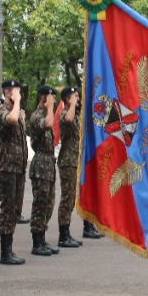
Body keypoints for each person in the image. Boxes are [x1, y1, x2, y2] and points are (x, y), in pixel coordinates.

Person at [0, 80, 28, 265]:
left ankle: (9, 249)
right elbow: (12, 119)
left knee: (15, 209)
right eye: (15, 90)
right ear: (7, 92)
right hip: (7, 167)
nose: (18, 93)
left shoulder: (16, 111)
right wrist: (16, 102)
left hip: (18, 167)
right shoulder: (2, 110)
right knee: (8, 209)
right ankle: (5, 252)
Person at [27, 85, 59, 257]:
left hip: (49, 163)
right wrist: (50, 108)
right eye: (51, 97)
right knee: (40, 203)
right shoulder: (37, 116)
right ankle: (37, 242)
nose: (54, 100)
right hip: (40, 163)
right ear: (43, 98)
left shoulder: (47, 114)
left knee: (49, 203)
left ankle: (43, 238)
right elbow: (47, 125)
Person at [56, 86, 84, 246]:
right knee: (67, 197)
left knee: (72, 197)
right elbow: (68, 119)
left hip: (75, 160)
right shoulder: (63, 113)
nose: (77, 99)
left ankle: (67, 233)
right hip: (67, 161)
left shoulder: (75, 114)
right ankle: (63, 235)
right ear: (67, 99)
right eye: (74, 96)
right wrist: (72, 104)